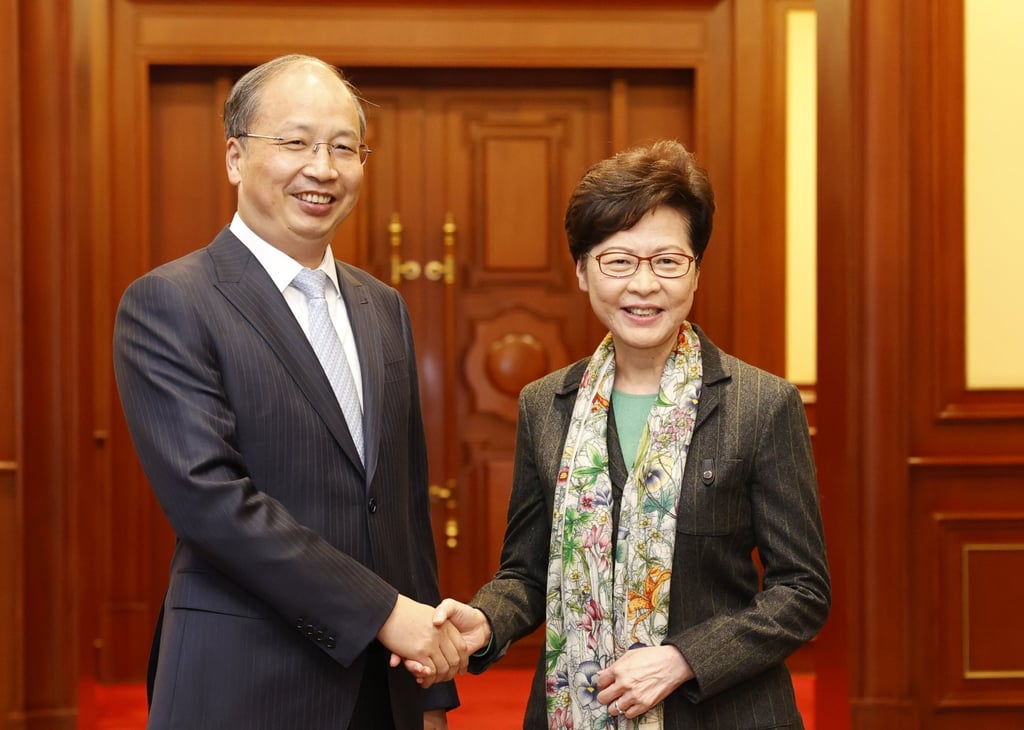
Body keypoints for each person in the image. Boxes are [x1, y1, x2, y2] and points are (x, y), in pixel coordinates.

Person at [113, 54, 467, 730]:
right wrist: (385, 613)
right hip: (245, 682)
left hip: (382, 687)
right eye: (296, 142)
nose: (323, 168)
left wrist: (428, 693)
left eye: (344, 147)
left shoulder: (382, 306)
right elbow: (212, 503)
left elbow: (400, 506)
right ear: (235, 158)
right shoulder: (171, 301)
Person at [433, 140, 831, 728]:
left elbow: (802, 591)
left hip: (722, 714)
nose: (643, 285)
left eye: (667, 261)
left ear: (696, 271)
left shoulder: (760, 404)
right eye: (618, 261)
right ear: (581, 271)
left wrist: (684, 659)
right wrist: (487, 621)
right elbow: (528, 572)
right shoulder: (546, 405)